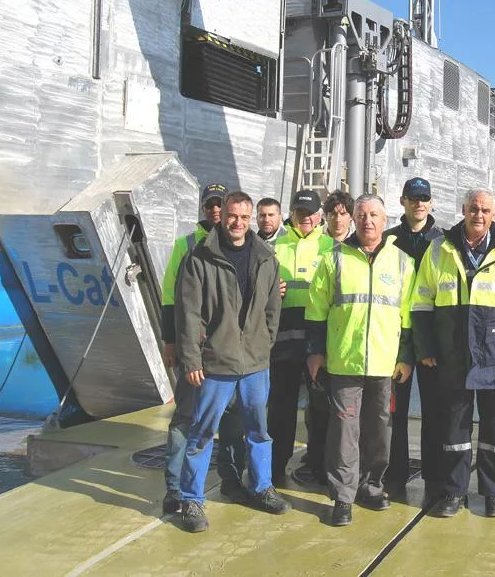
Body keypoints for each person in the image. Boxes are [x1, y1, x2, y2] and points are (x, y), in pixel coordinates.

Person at [411, 188, 495, 519]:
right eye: (473, 209)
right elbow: (421, 302)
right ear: (463, 210)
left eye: (484, 210)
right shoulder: (439, 247)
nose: (478, 215)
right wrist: (425, 347)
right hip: (452, 355)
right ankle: (454, 491)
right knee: (455, 431)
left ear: (494, 214)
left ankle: (493, 494)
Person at [175, 191, 290, 532]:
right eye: (232, 216)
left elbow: (272, 308)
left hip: (255, 363)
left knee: (258, 431)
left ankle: (261, 487)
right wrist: (192, 359)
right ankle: (191, 500)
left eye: (243, 217)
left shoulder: (265, 258)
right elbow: (189, 314)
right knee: (202, 432)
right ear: (222, 216)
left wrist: (264, 344)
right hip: (216, 363)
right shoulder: (200, 258)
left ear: (250, 218)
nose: (237, 223)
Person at [306, 194, 416, 526]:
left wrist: (405, 356)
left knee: (379, 430)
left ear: (385, 220)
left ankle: (371, 485)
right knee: (344, 431)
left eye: (374, 215)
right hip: (344, 362)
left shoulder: (402, 262)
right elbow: (317, 310)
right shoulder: (334, 259)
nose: (368, 220)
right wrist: (316, 352)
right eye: (362, 215)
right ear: (354, 219)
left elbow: (409, 315)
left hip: (385, 364)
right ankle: (343, 496)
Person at [159, 183, 246, 513]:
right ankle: (174, 487)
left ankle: (231, 479)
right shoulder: (187, 245)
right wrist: (170, 342)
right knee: (186, 417)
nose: (214, 210)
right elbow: (170, 297)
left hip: (229, 352)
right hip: (195, 349)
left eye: (219, 205)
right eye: (209, 205)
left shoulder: (238, 244)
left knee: (232, 418)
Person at [383, 178, 445, 500]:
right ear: (403, 201)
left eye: (424, 198)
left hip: (432, 339)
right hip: (397, 338)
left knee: (434, 411)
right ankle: (394, 472)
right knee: (395, 411)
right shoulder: (389, 240)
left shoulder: (444, 241)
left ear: (431, 202)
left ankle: (434, 475)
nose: (419, 203)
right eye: (413, 198)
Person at [270, 190, 335, 486]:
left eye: (310, 213)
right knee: (280, 410)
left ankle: (320, 466)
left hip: (318, 342)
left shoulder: (333, 248)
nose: (305, 218)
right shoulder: (274, 248)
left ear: (319, 215)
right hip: (283, 343)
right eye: (300, 213)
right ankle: (275, 467)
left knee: (321, 409)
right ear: (292, 215)